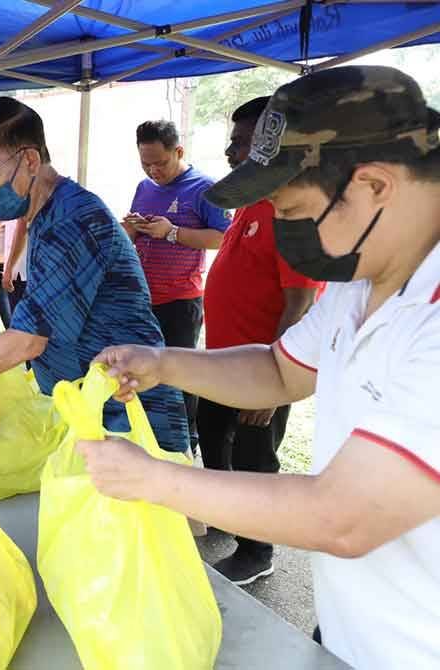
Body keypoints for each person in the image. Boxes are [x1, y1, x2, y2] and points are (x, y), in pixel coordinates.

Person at [82, 65, 440, 670]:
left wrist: (153, 480)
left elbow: (342, 516)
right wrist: (165, 362)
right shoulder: (367, 274)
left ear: (377, 185)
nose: (282, 224)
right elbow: (280, 370)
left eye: (292, 207)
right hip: (354, 630)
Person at [0, 98, 188, 455]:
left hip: (133, 420)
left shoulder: (73, 219)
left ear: (29, 160)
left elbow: (28, 338)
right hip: (93, 411)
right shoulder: (45, 214)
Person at [199, 96, 324, 585]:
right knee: (213, 441)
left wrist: (275, 384)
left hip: (262, 369)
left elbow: (300, 305)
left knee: (254, 459)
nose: (232, 152)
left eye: (242, 142)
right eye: (232, 142)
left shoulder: (292, 214)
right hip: (221, 361)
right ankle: (229, 521)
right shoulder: (251, 201)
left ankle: (256, 550)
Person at [123, 120, 230, 450]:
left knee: (179, 372)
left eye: (161, 162)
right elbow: (134, 234)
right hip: (143, 298)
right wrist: (131, 229)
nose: (154, 171)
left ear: (179, 152)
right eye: (146, 163)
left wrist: (173, 232)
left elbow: (223, 238)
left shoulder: (205, 188)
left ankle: (186, 441)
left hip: (181, 300)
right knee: (143, 370)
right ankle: (151, 437)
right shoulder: (144, 187)